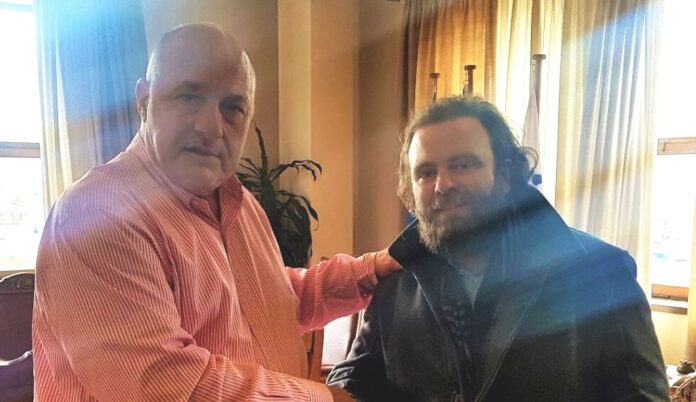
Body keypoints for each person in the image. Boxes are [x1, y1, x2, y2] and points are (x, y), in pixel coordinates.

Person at [32, 23, 399, 402]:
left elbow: (274, 304)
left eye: (232, 107)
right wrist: (328, 399)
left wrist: (372, 271)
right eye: (188, 96)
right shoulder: (95, 215)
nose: (211, 127)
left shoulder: (241, 205)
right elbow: (166, 386)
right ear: (144, 100)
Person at [326, 96, 670, 401]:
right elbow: (357, 377)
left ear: (505, 175)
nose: (443, 185)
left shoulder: (600, 273)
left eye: (463, 165)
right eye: (425, 173)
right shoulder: (396, 281)